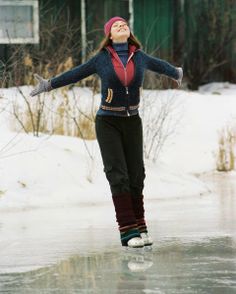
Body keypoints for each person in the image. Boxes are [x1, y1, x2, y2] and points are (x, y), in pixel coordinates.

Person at [30, 16, 183, 248]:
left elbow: (160, 66)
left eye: (124, 24)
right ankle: (128, 232)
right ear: (110, 35)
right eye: (116, 26)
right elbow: (76, 73)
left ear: (129, 32)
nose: (121, 26)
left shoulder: (139, 56)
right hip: (108, 122)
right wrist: (48, 84)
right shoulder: (102, 59)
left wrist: (176, 73)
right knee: (117, 174)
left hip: (133, 120)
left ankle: (140, 226)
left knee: (137, 175)